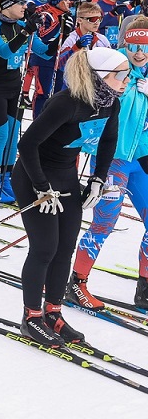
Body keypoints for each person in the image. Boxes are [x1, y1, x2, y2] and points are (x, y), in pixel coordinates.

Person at [13, 47, 125, 346]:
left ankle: (53, 313)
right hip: (33, 175)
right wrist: (40, 186)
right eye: (120, 74)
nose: (126, 80)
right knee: (44, 248)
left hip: (65, 175)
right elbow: (27, 145)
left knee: (65, 248)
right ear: (101, 76)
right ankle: (31, 317)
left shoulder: (111, 103)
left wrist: (98, 179)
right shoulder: (66, 103)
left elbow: (108, 141)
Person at [69, 24, 148, 310]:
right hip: (113, 160)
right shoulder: (116, 70)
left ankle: (144, 289)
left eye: (145, 47)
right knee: (104, 223)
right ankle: (76, 284)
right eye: (133, 46)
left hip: (141, 159)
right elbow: (95, 105)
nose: (139, 53)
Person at [0, 0, 47, 203]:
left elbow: (45, 51)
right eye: (20, 3)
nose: (24, 7)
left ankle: (6, 179)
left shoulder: (20, 26)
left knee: (12, 135)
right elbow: (4, 51)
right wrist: (26, 31)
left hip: (14, 87)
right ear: (6, 6)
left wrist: (58, 32)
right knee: (0, 135)